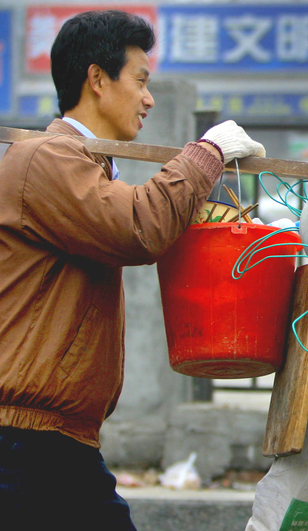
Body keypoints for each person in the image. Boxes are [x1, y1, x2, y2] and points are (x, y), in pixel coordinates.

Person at [0, 10, 266, 529]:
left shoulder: (79, 165)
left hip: (55, 438)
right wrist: (207, 153)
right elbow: (139, 227)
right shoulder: (45, 159)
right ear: (97, 80)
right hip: (25, 440)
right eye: (140, 81)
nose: (148, 98)